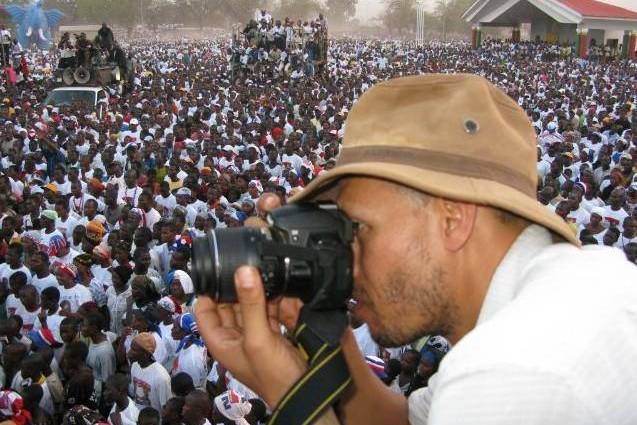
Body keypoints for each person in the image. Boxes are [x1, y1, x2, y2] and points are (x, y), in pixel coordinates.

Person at [194, 74, 637, 425]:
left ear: (452, 218)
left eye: (359, 228)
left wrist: (286, 393)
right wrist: (312, 330)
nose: (345, 256)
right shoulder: (566, 294)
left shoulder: (515, 373)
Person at [128, 332, 172, 412]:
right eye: (131, 348)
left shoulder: (161, 377)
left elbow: (166, 408)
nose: (129, 352)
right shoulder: (135, 366)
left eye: (134, 350)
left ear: (145, 354)